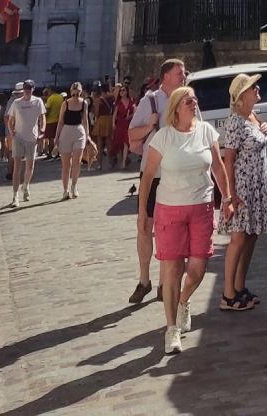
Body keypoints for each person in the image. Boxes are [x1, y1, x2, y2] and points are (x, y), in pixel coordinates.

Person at [139, 86, 235, 357]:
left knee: (197, 269)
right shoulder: (163, 137)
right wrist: (142, 213)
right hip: (169, 209)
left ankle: (183, 301)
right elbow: (147, 177)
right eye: (187, 100)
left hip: (201, 207)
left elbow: (218, 167)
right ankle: (171, 329)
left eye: (194, 99)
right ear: (176, 108)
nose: (193, 103)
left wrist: (227, 198)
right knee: (172, 270)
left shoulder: (206, 131)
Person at [126, 58, 187, 305]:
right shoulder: (150, 101)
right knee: (145, 226)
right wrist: (150, 124)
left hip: (176, 174)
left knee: (169, 228)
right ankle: (144, 280)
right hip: (152, 174)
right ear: (166, 76)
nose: (184, 76)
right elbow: (131, 134)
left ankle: (164, 283)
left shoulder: (187, 100)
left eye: (184, 73)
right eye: (179, 73)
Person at [218, 73, 267, 311]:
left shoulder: (252, 116)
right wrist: (230, 195)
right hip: (243, 187)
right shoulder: (235, 121)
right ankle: (228, 293)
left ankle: (239, 286)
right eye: (253, 87)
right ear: (241, 95)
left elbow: (257, 138)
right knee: (238, 237)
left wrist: (264, 128)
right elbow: (228, 159)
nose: (257, 89)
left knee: (251, 235)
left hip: (256, 186)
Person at [5, 80, 45, 206]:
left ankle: (26, 186)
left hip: (32, 137)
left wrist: (42, 130)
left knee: (30, 166)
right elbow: (10, 119)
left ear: (33, 89)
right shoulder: (17, 103)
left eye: (29, 88)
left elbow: (42, 117)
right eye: (25, 88)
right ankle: (15, 195)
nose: (27, 91)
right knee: (17, 166)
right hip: (19, 137)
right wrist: (12, 132)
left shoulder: (38, 101)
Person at [55, 81, 90, 199]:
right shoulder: (65, 104)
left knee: (77, 161)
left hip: (79, 132)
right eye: (73, 94)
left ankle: (74, 186)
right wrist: (56, 137)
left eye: (77, 94)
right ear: (70, 93)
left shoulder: (84, 103)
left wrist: (88, 135)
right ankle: (65, 190)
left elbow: (85, 120)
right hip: (66, 132)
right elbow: (60, 121)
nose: (75, 97)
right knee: (66, 164)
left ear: (81, 93)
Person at [111, 83, 135, 170]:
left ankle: (124, 162)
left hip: (128, 124)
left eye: (123, 90)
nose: (121, 92)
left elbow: (135, 112)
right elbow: (114, 114)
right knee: (119, 143)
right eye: (120, 90)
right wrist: (113, 124)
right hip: (120, 124)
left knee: (126, 142)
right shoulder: (118, 102)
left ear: (127, 92)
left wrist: (130, 116)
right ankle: (122, 160)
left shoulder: (131, 101)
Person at [94, 84, 114, 165]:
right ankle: (111, 162)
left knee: (99, 144)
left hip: (101, 120)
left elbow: (96, 113)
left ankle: (99, 164)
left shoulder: (99, 99)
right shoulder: (112, 98)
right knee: (109, 142)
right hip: (109, 119)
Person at [44, 84, 64, 159]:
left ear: (51, 90)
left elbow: (47, 109)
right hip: (59, 120)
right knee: (58, 137)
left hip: (50, 121)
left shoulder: (51, 98)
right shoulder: (60, 97)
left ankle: (51, 154)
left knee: (51, 139)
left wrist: (43, 117)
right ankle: (58, 153)